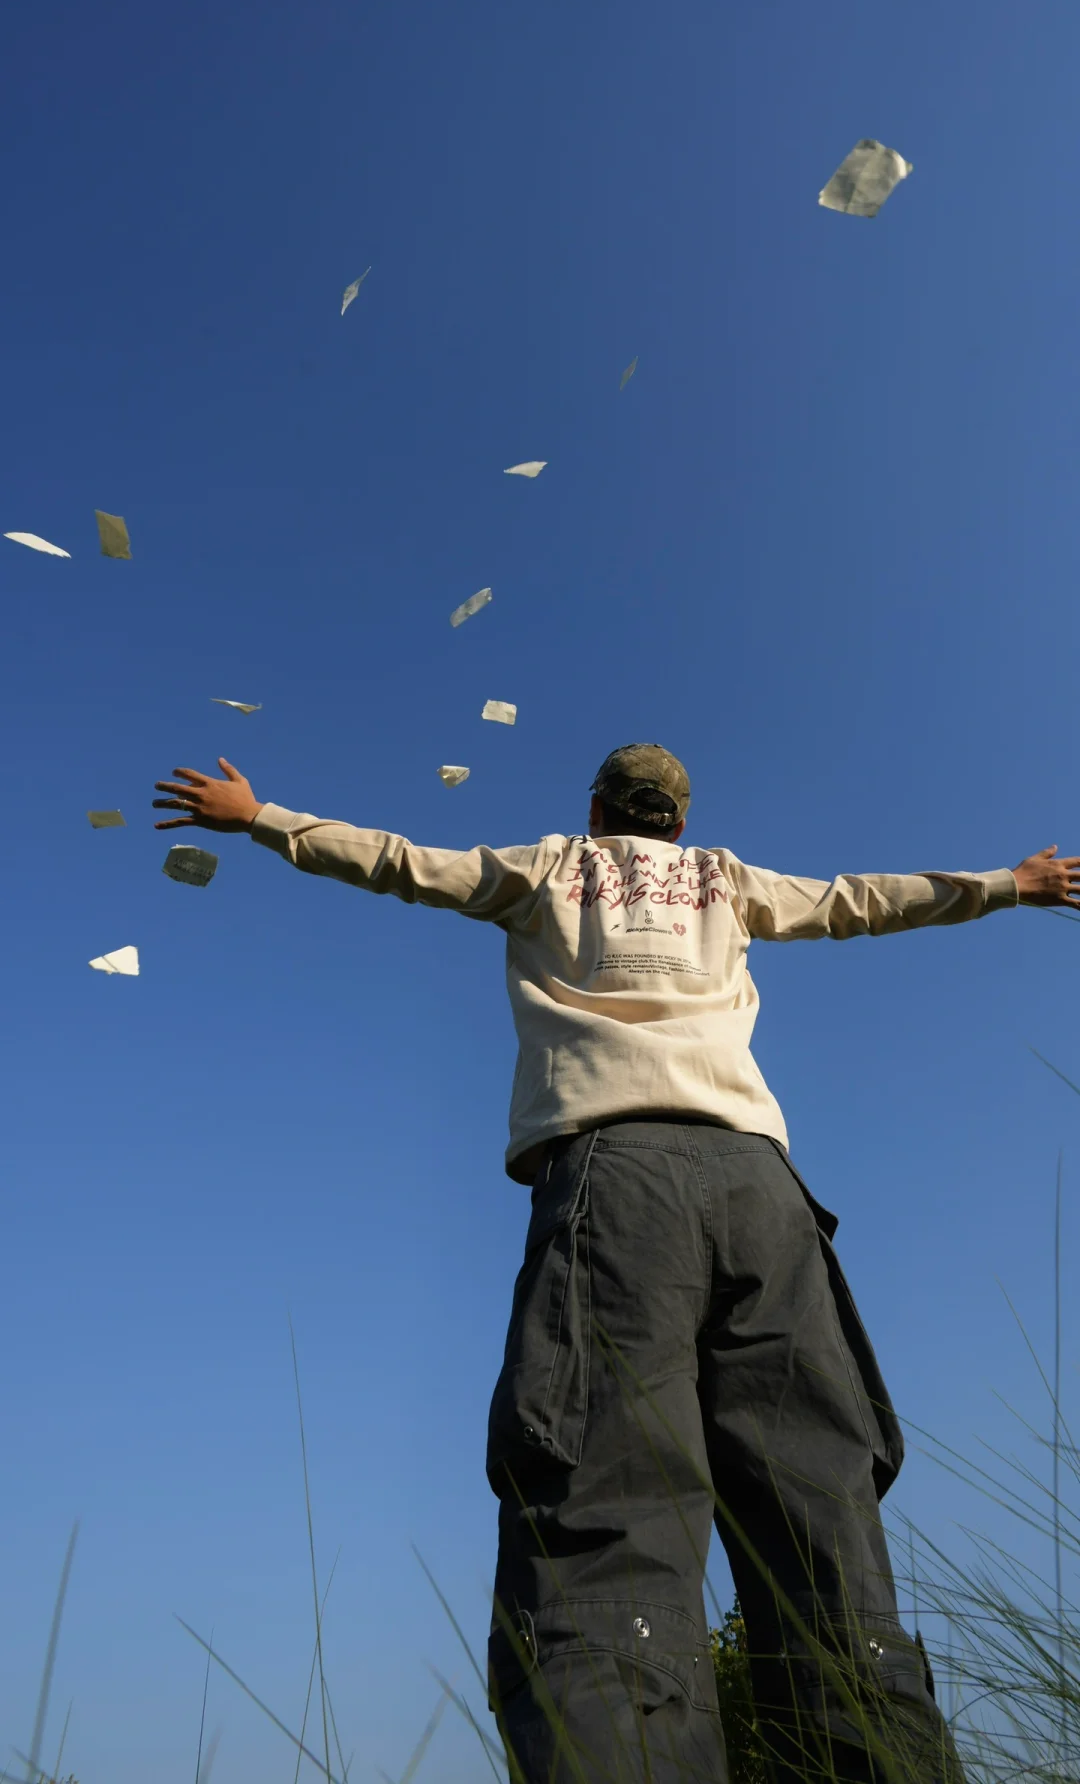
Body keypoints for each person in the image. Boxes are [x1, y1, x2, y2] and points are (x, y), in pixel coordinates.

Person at [153, 744, 1079, 1784]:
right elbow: (863, 900)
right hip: (762, 1192)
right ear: (679, 823)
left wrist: (258, 814)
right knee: (820, 1518)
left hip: (617, 1181)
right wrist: (1014, 884)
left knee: (609, 1514)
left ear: (597, 810)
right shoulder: (727, 880)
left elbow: (399, 860)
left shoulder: (552, 869)